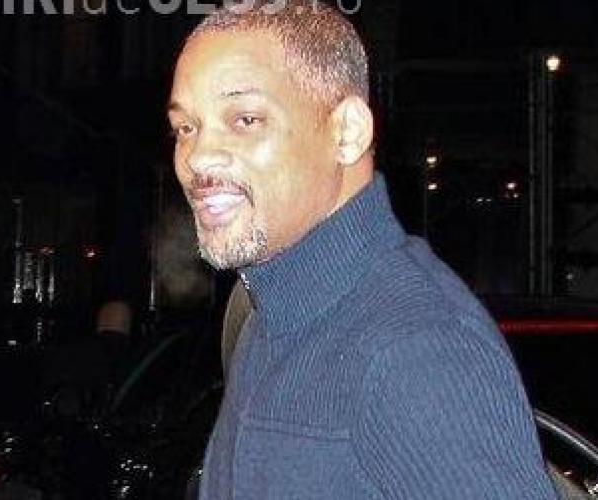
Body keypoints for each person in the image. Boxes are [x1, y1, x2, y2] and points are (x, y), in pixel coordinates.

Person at [167, 1, 557, 498]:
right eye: (186, 128)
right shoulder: (268, 321)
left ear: (347, 132)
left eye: (245, 119)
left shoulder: (416, 349)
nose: (198, 157)